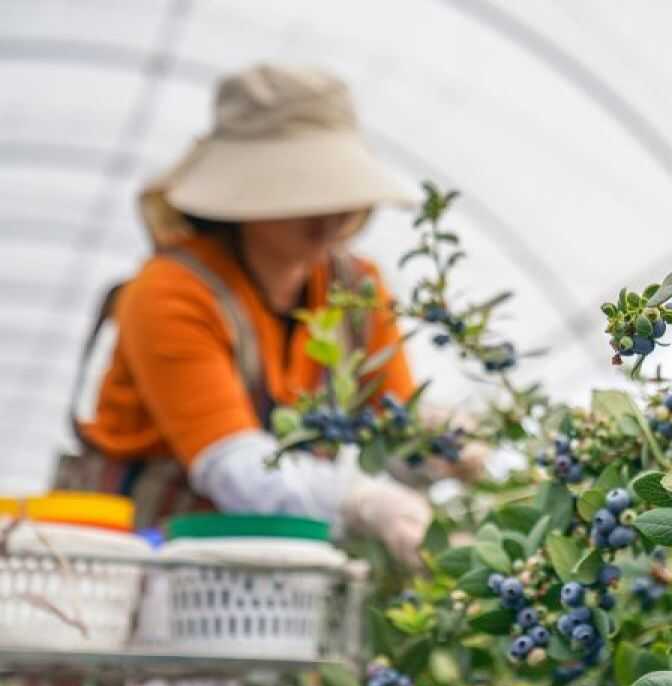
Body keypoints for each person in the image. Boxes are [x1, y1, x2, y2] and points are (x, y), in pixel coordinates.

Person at [56, 64, 433, 565]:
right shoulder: (170, 291)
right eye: (304, 187)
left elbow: (398, 431)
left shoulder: (356, 292)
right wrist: (358, 500)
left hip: (288, 578)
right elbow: (235, 468)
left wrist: (443, 446)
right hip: (146, 568)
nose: (332, 208)